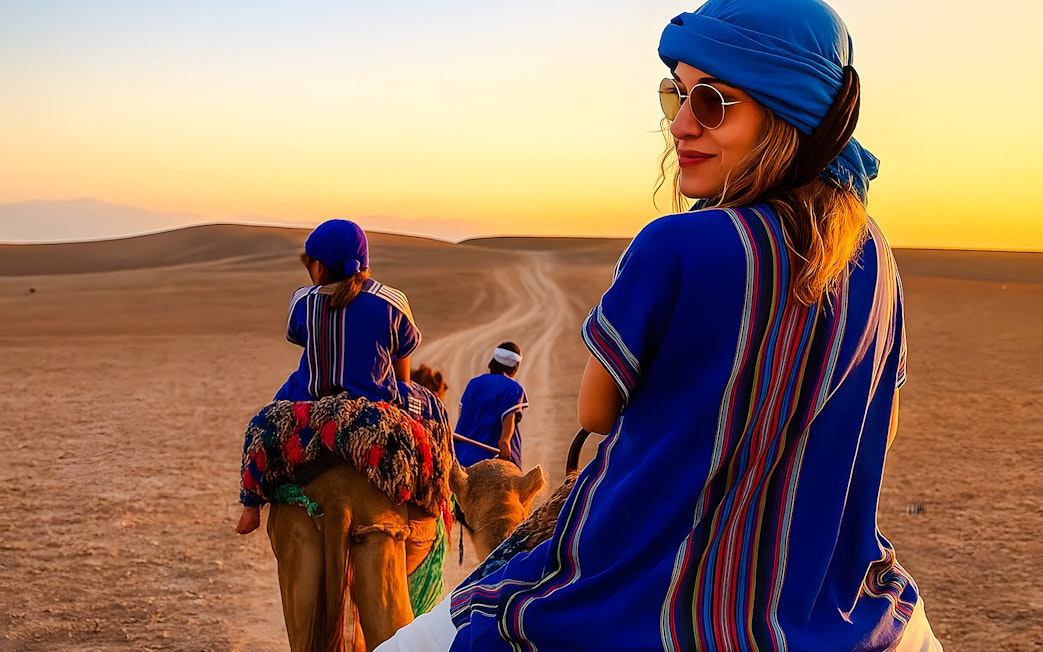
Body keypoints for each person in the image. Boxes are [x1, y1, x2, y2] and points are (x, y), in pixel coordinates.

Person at [375, 0, 943, 650]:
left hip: (644, 597)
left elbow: (594, 411)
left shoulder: (675, 244)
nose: (680, 124)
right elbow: (883, 422)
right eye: (674, 93)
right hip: (841, 604)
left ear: (789, 113)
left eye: (713, 101)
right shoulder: (875, 254)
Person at [236, 218, 421, 535]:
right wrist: (404, 394)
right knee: (429, 422)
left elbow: (299, 338)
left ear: (319, 267)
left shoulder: (303, 301)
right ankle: (428, 501)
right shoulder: (393, 301)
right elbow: (402, 360)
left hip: (310, 407)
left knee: (260, 425)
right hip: (372, 411)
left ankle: (250, 506)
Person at [453, 343, 527, 468]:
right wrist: (504, 441)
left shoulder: (473, 383)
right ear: (514, 367)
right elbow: (509, 418)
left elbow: (463, 416)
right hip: (491, 457)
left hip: (461, 455)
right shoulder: (514, 388)